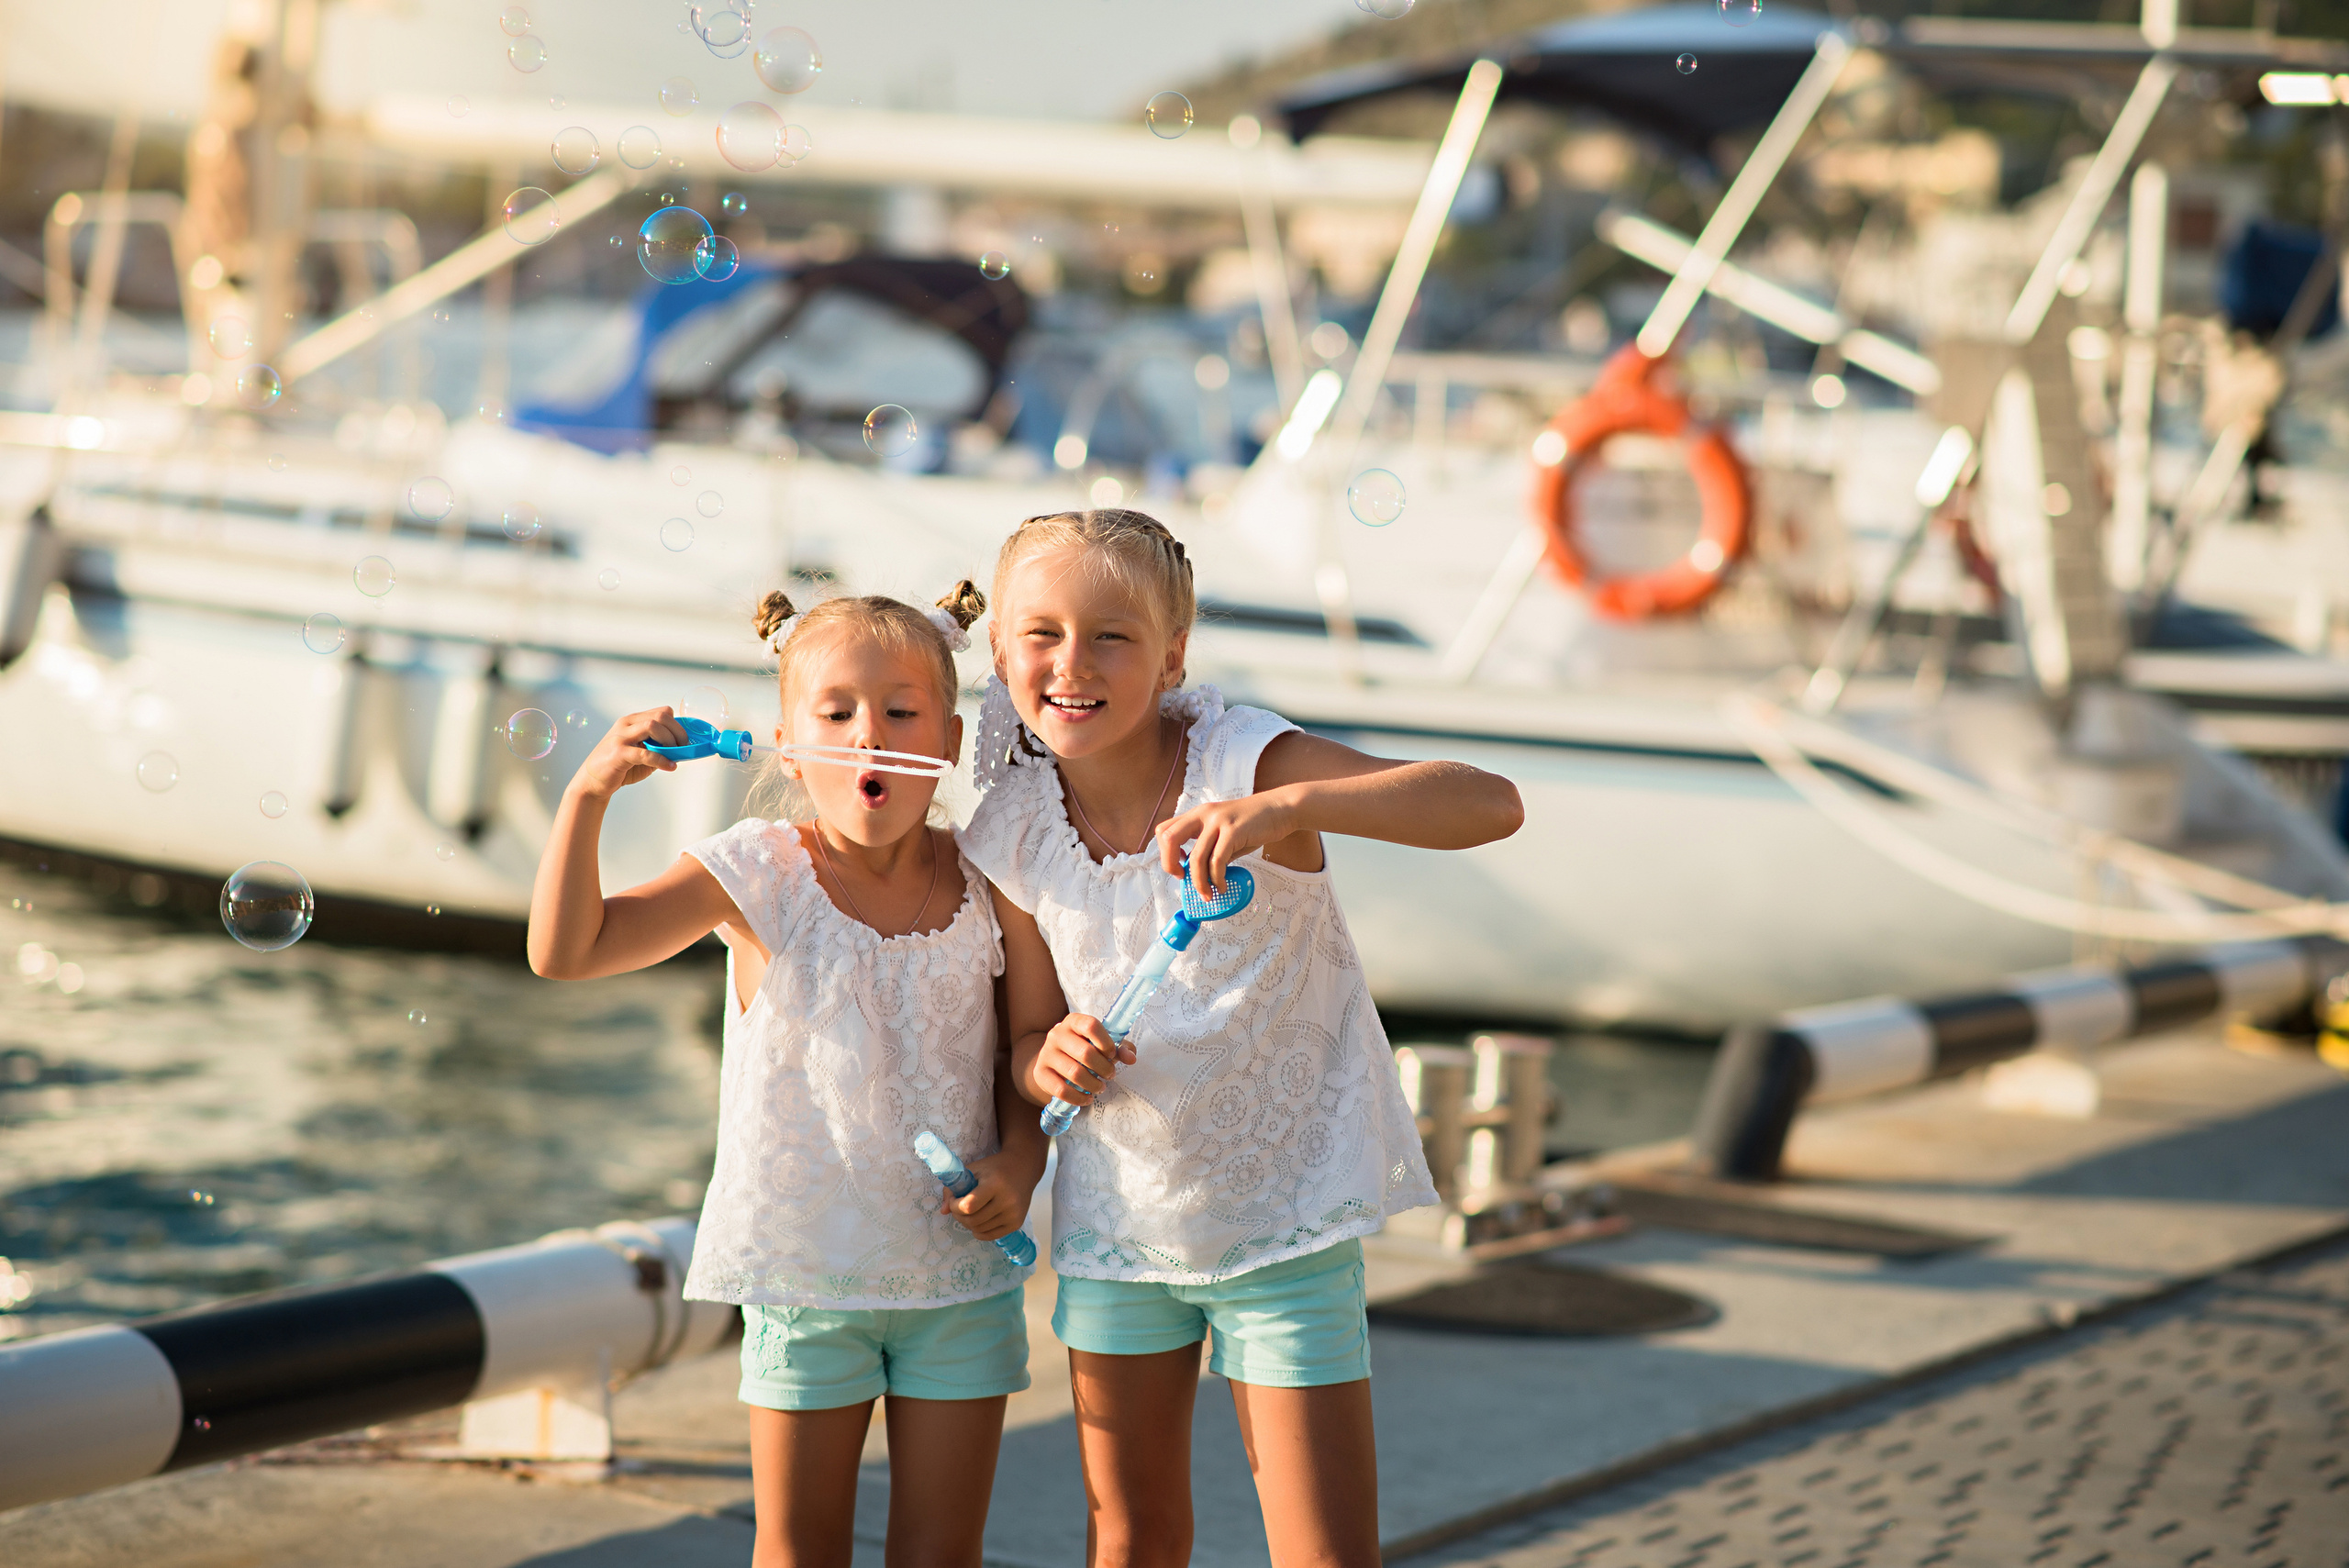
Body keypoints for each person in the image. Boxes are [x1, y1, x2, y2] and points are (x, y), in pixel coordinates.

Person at [960, 508, 1524, 1568]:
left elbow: (1488, 805)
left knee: (1322, 1549)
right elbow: (1025, 1037)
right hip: (1119, 1228)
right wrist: (1053, 1057)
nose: (1071, 663)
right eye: (1040, 634)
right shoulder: (1013, 827)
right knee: (1131, 1538)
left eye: (1112, 636)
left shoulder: (1242, 755)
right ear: (999, 651)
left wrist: (1288, 805)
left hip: (1286, 1219)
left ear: (1172, 655)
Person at [528, 581, 1045, 1568]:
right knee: (800, 1549)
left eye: (900, 711)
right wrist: (586, 793)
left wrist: (1018, 1167)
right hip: (807, 1279)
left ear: (945, 736)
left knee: (944, 1550)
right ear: (785, 738)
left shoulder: (991, 881)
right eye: (837, 712)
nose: (868, 735)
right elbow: (571, 950)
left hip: (959, 1281)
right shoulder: (760, 870)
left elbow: (1024, 1055)